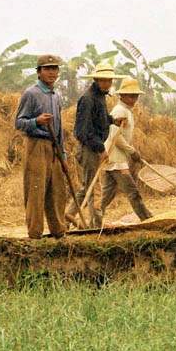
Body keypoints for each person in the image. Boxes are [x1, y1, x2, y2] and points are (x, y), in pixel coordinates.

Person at [65, 63, 126, 228]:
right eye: (104, 80)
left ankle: (69, 215)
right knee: (93, 188)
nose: (107, 84)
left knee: (88, 186)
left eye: (109, 81)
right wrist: (100, 149)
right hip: (89, 149)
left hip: (94, 147)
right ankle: (95, 225)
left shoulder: (99, 96)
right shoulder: (88, 99)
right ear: (96, 80)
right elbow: (82, 131)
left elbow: (100, 119)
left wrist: (113, 121)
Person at [14, 55, 67, 239]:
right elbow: (19, 123)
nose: (52, 72)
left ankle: (58, 231)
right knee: (36, 190)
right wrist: (36, 121)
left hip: (54, 147)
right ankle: (35, 233)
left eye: (55, 69)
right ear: (39, 72)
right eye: (47, 69)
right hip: (36, 145)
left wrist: (62, 153)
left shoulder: (56, 96)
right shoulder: (31, 93)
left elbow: (59, 127)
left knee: (57, 190)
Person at [99, 78, 153, 222]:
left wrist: (130, 151)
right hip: (116, 158)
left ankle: (94, 219)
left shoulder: (127, 111)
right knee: (133, 192)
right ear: (121, 96)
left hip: (116, 158)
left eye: (135, 96)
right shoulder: (119, 111)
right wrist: (131, 151)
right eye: (130, 95)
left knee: (107, 194)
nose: (133, 99)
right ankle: (147, 219)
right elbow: (115, 137)